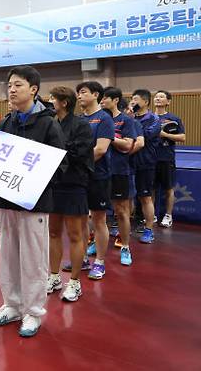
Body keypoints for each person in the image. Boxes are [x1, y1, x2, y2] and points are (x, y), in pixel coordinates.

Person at [0, 66, 64, 338]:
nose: (11, 89)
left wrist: (33, 181)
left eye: (17, 84)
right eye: (9, 85)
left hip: (34, 203)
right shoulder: (7, 122)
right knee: (7, 256)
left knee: (33, 259)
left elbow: (60, 164)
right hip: (6, 201)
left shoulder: (48, 122)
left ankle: (33, 312)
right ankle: (12, 305)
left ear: (33, 89)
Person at [47, 86, 94, 302]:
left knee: (75, 234)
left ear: (64, 102)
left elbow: (79, 153)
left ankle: (75, 282)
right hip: (53, 184)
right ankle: (54, 277)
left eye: (53, 99)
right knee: (53, 233)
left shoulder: (81, 125)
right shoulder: (49, 123)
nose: (49, 102)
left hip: (74, 184)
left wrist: (54, 149)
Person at [76, 81, 114, 280]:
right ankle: (82, 258)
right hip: (80, 177)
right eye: (78, 93)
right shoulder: (79, 119)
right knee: (81, 220)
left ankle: (99, 262)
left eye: (83, 92)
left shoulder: (104, 119)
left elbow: (100, 150)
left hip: (98, 176)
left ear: (95, 94)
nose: (79, 96)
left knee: (99, 220)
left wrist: (75, 161)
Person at [101, 87, 137, 266]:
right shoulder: (98, 118)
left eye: (105, 98)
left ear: (115, 100)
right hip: (100, 171)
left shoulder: (125, 121)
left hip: (119, 171)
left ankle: (125, 246)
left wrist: (110, 138)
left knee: (121, 211)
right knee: (99, 213)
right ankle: (96, 243)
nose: (102, 101)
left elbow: (127, 145)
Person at [130, 89, 161, 244]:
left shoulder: (154, 119)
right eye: (132, 99)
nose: (133, 102)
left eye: (136, 99)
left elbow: (145, 137)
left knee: (145, 197)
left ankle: (149, 229)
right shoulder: (130, 118)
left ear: (146, 101)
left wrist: (132, 121)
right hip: (128, 162)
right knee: (126, 198)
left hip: (145, 163)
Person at [153, 90, 185, 228]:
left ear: (168, 102)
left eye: (161, 97)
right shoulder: (147, 117)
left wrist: (164, 134)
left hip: (166, 158)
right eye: (156, 96)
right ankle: (152, 214)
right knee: (151, 189)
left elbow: (182, 137)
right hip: (149, 158)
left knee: (168, 188)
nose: (158, 98)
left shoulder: (174, 119)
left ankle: (168, 215)